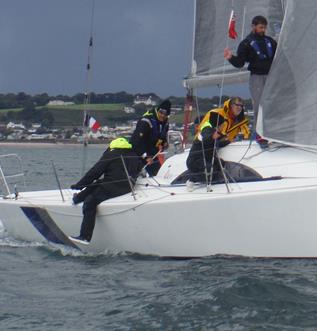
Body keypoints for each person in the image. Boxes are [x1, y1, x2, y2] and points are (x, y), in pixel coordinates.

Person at [68, 100, 171, 244]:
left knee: (91, 202)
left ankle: (85, 236)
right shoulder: (133, 154)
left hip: (114, 187)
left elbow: (95, 172)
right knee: (98, 183)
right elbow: (140, 165)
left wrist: (79, 184)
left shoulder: (111, 154)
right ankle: (77, 198)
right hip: (129, 186)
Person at [223, 15, 276, 135]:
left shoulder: (271, 41)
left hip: (271, 76)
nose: (263, 30)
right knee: (259, 105)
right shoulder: (246, 44)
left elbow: (278, 58)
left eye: (264, 28)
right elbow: (240, 63)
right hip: (256, 78)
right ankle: (260, 135)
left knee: (273, 104)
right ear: (253, 26)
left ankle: (274, 133)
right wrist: (230, 57)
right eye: (261, 27)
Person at [185, 97, 250, 185]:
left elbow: (245, 133)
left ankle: (219, 181)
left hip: (211, 153)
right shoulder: (214, 117)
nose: (239, 107)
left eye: (241, 106)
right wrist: (214, 136)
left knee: (220, 165)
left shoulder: (239, 120)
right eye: (237, 105)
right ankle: (192, 180)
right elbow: (205, 135)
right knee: (209, 171)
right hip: (199, 157)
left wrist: (230, 141)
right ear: (230, 105)